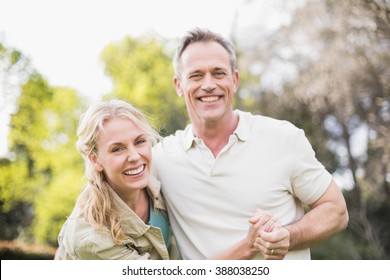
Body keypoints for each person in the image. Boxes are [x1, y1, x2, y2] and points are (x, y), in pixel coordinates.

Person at [152, 27, 349, 260]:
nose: (208, 84)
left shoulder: (283, 138)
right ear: (178, 85)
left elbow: (336, 211)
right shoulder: (161, 159)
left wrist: (288, 235)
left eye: (218, 73)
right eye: (196, 75)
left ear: (234, 80)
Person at [55, 99, 178, 260]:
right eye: (117, 149)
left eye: (140, 141)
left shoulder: (155, 174)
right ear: (95, 160)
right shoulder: (91, 237)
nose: (135, 157)